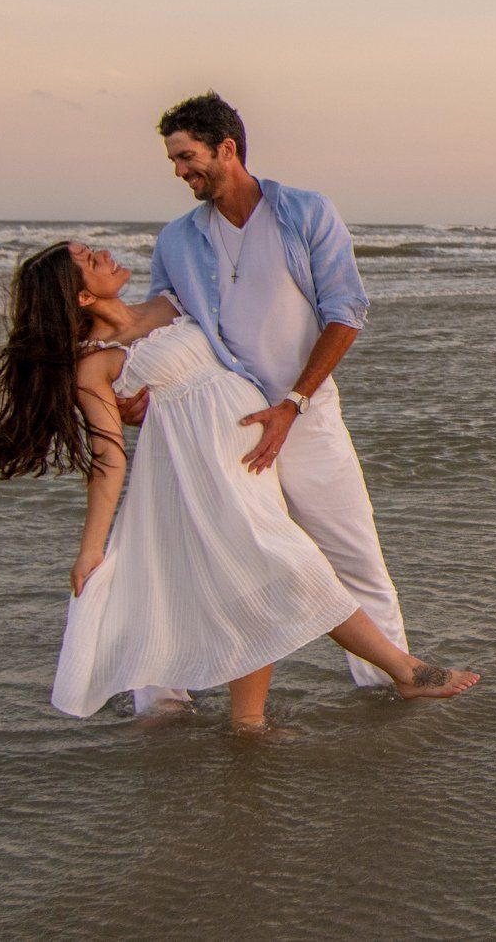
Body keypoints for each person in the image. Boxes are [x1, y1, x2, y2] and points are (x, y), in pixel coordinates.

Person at [0, 241, 478, 733]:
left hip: (247, 460)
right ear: (81, 295)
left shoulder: (173, 303)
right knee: (288, 566)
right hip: (200, 472)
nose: (103, 252)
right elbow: (108, 460)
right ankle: (406, 670)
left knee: (252, 580)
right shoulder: (94, 365)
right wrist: (90, 550)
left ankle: (248, 720)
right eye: (88, 258)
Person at [122, 91, 409, 707]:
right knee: (202, 565)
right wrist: (128, 382)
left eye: (187, 156)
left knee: (354, 559)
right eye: (174, 160)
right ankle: (164, 703)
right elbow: (165, 318)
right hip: (225, 427)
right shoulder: (176, 240)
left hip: (306, 416)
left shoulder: (304, 213)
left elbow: (346, 312)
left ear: (228, 148)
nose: (179, 171)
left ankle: (390, 695)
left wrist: (294, 403)